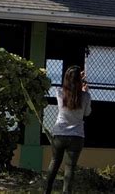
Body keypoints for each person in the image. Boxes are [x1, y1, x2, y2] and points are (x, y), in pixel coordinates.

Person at [45, 65, 91, 194]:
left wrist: (76, 79)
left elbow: (70, 89)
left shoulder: (59, 92)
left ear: (66, 78)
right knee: (70, 167)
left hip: (59, 133)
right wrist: (85, 90)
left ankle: (46, 191)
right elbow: (87, 113)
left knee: (54, 162)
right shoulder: (86, 96)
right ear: (80, 80)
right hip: (76, 136)